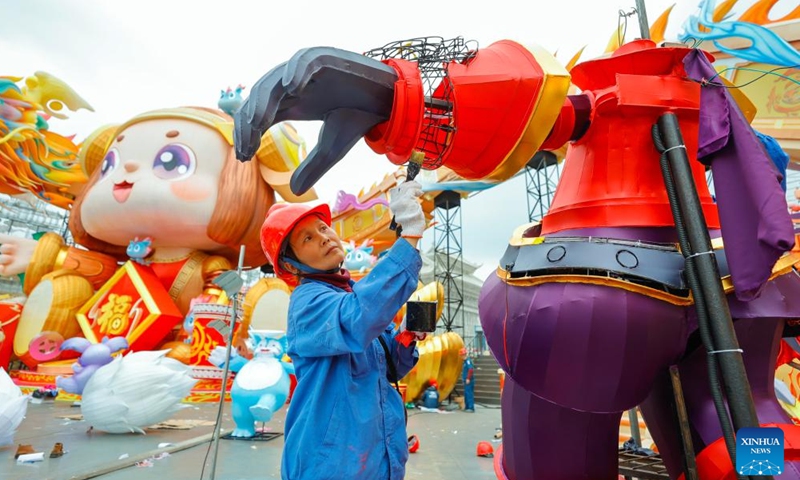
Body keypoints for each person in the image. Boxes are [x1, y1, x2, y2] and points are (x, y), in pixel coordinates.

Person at [260, 180, 427, 480]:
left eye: (323, 228)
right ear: (292, 265)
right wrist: (410, 237)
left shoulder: (351, 295)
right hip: (331, 464)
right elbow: (358, 318)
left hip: (376, 457)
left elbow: (389, 368)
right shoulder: (308, 303)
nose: (323, 238)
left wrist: (405, 337)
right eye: (308, 238)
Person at [461, 347, 475, 412]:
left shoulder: (468, 361)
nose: (461, 357)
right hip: (466, 381)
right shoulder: (465, 362)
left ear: (463, 355)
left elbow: (470, 369)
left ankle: (471, 407)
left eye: (461, 355)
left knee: (469, 394)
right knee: (466, 394)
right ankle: (467, 407)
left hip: (469, 381)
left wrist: (468, 378)